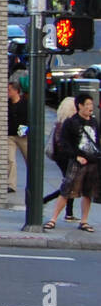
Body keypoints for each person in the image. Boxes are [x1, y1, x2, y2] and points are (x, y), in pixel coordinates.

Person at [44, 93, 101, 232]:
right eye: (87, 104)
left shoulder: (94, 122)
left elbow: (97, 140)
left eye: (91, 104)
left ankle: (84, 221)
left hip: (93, 162)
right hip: (77, 162)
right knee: (67, 190)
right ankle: (53, 219)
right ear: (79, 106)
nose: (90, 107)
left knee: (88, 193)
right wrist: (76, 156)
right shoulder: (71, 122)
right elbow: (64, 143)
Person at [43, 96, 77, 221]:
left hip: (60, 157)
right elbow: (63, 143)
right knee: (69, 183)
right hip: (65, 157)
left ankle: (69, 212)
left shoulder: (59, 122)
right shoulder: (66, 124)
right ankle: (47, 200)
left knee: (69, 182)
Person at [6, 81, 29, 194]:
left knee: (29, 158)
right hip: (10, 135)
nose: (7, 92)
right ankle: (11, 184)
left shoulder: (25, 103)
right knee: (10, 160)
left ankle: (32, 181)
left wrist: (25, 130)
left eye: (9, 90)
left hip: (23, 135)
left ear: (16, 91)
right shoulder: (7, 104)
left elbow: (29, 118)